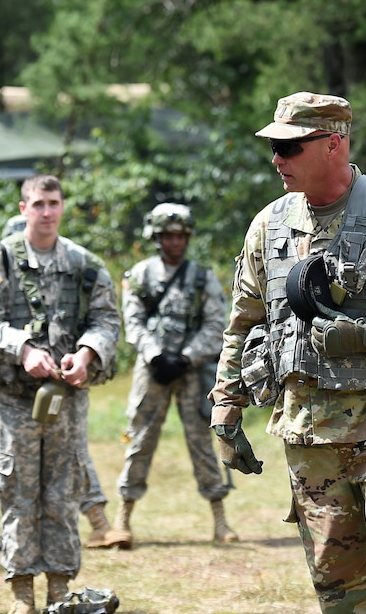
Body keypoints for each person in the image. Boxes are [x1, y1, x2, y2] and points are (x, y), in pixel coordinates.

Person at [208, 92, 366, 613]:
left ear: (333, 143)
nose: (278, 159)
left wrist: (365, 336)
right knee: (337, 581)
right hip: (307, 429)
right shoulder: (269, 226)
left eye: (290, 147)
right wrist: (226, 403)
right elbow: (245, 320)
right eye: (274, 148)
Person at [0, 174, 120, 614]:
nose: (47, 212)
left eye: (53, 203)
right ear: (23, 209)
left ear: (62, 206)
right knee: (16, 492)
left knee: (62, 492)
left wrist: (87, 354)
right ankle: (21, 593)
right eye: (38, 204)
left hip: (65, 400)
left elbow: (107, 320)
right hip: (14, 400)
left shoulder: (83, 263)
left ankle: (59, 589)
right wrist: (23, 349)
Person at [107, 202, 236, 548]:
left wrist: (187, 357)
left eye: (180, 236)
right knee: (140, 440)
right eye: (168, 236)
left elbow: (214, 323)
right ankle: (123, 518)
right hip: (152, 372)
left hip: (190, 371)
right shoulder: (140, 276)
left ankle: (220, 520)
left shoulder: (202, 277)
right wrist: (155, 355)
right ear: (156, 237)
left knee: (201, 442)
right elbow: (132, 322)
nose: (175, 242)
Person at [0, 213, 116, 548]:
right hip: (14, 389)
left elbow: (103, 319)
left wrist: (84, 354)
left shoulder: (76, 265)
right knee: (16, 474)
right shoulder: (0, 269)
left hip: (60, 387)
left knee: (71, 462)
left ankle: (97, 522)